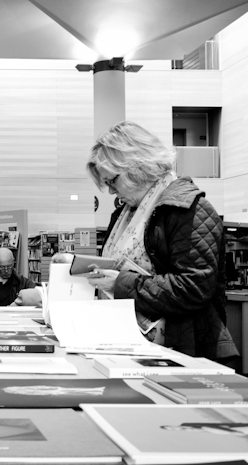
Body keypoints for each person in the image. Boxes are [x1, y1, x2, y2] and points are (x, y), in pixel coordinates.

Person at [85, 121, 237, 365]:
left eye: (112, 180)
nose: (110, 191)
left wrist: (120, 283)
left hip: (185, 349)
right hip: (137, 346)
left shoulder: (188, 210)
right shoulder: (125, 214)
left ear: (137, 166)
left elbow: (194, 288)